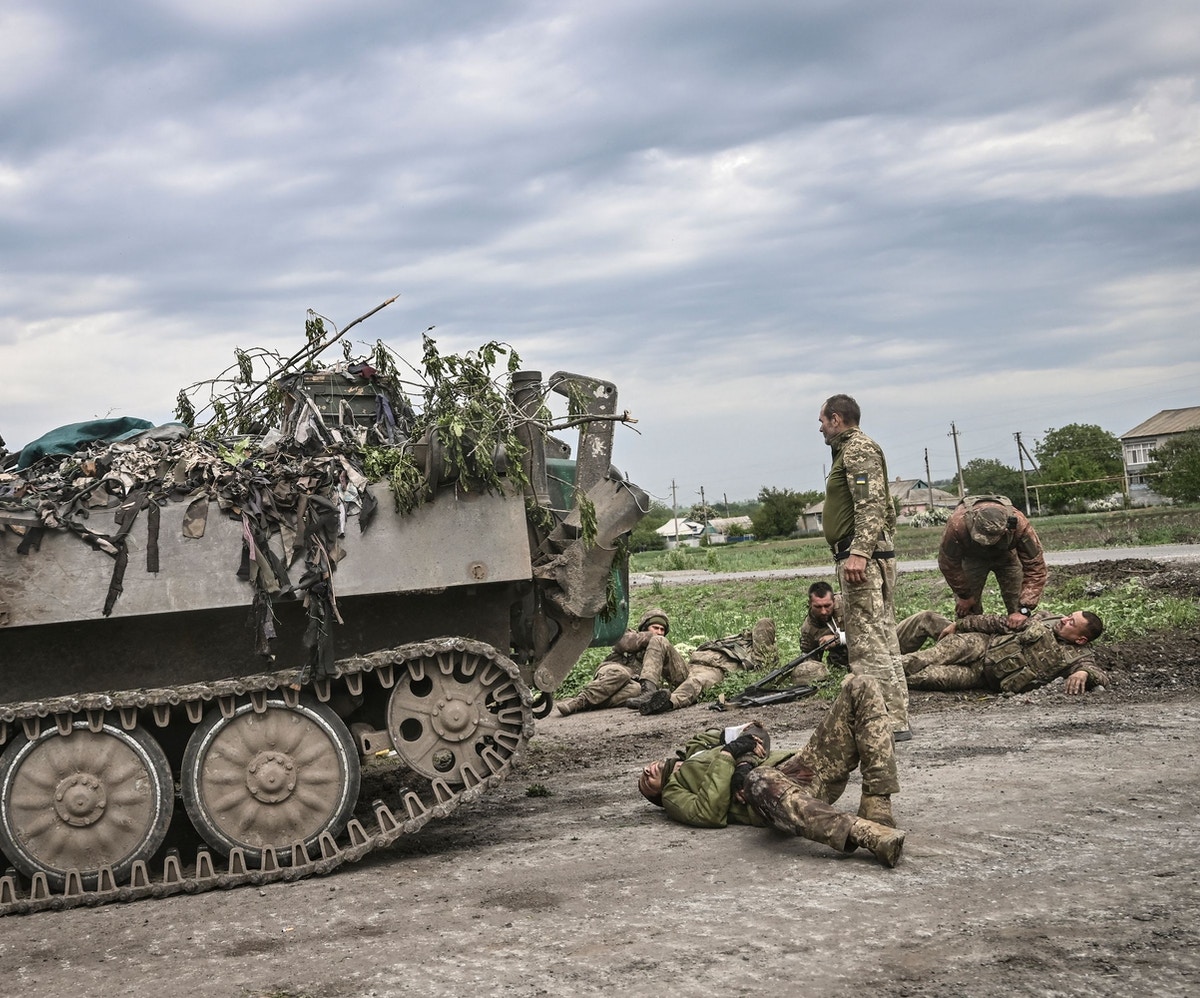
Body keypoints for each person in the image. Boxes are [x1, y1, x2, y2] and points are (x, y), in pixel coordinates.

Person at [636, 675, 905, 867]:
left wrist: (743, 762)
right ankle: (866, 833)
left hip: (805, 766)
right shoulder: (674, 793)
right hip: (772, 797)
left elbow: (755, 732)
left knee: (861, 684)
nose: (646, 773)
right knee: (757, 780)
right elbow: (708, 813)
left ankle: (877, 802)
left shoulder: (697, 746)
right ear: (659, 797)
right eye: (645, 785)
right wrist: (731, 756)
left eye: (644, 772)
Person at [819, 394, 911, 740]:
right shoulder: (849, 451)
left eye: (822, 421)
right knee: (882, 637)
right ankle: (895, 718)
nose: (821, 427)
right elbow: (886, 508)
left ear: (837, 418)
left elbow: (870, 504)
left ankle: (884, 721)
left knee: (868, 643)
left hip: (862, 560)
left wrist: (860, 552)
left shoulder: (857, 450)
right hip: (871, 555)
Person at [902, 609, 1107, 695]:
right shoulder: (1044, 619)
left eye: (1072, 622)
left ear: (1081, 639)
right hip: (981, 644)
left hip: (981, 676)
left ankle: (881, 678)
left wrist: (1083, 673)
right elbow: (999, 622)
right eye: (1069, 616)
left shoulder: (1079, 658)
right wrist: (961, 624)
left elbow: (1101, 676)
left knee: (929, 678)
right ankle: (882, 665)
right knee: (926, 658)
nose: (1064, 620)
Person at [937, 495, 1047, 630]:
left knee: (1018, 606)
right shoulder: (958, 524)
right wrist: (964, 595)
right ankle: (969, 642)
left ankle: (1017, 640)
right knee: (968, 611)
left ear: (1006, 529)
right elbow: (948, 563)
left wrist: (1025, 609)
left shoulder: (1019, 525)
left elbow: (1036, 567)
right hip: (973, 557)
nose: (985, 544)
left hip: (1007, 556)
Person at [555, 607, 688, 715]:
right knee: (621, 674)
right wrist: (651, 638)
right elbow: (623, 643)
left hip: (631, 683)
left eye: (662, 629)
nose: (659, 632)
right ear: (645, 627)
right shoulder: (630, 634)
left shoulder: (659, 649)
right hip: (613, 669)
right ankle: (579, 701)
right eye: (655, 627)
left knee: (635, 691)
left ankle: (586, 704)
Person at [638, 618, 779, 714]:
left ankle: (666, 703)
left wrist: (765, 642)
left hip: (714, 670)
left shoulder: (760, 654)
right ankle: (647, 691)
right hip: (691, 665)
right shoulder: (733, 639)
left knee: (695, 682)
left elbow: (764, 666)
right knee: (658, 640)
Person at [795, 581, 846, 683]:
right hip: (841, 662)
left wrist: (839, 639)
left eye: (827, 606)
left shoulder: (847, 604)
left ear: (834, 600)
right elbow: (810, 659)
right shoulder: (808, 629)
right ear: (810, 604)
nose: (823, 611)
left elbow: (870, 634)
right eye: (818, 607)